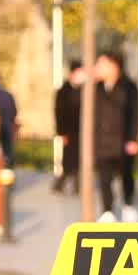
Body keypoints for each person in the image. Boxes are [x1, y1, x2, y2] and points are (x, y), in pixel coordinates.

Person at [93, 52, 138, 221]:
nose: (99, 68)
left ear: (115, 65)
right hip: (101, 141)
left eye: (103, 64)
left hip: (122, 140)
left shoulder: (128, 87)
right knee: (104, 177)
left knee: (126, 175)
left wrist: (132, 138)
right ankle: (107, 210)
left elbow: (135, 114)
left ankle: (128, 204)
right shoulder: (96, 87)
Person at [53, 61, 84, 194]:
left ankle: (77, 184)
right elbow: (59, 112)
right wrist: (61, 132)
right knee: (69, 159)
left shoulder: (85, 90)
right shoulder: (64, 91)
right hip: (69, 131)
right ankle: (61, 182)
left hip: (82, 131)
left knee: (80, 158)